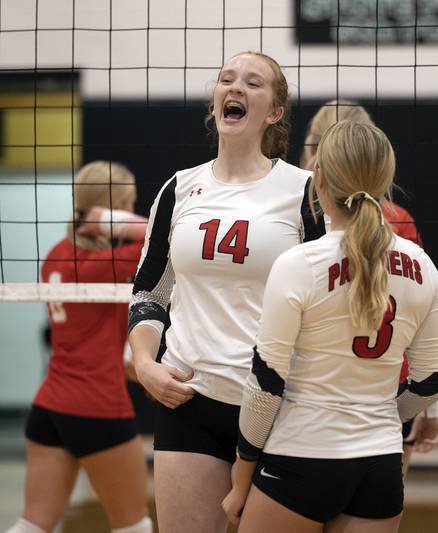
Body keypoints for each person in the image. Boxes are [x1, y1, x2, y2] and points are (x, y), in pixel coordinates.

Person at [127, 51, 325, 533]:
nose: (235, 88)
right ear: (215, 101)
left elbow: (329, 300)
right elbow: (151, 291)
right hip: (188, 401)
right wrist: (145, 363)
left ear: (274, 111)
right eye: (226, 80)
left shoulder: (304, 190)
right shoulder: (179, 188)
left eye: (253, 84)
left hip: (277, 404)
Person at [221, 120, 438, 532]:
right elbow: (431, 383)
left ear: (318, 178)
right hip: (380, 468)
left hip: (301, 457)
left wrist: (241, 479)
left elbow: (266, 383)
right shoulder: (424, 268)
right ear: (385, 181)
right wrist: (380, 417)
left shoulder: (298, 265)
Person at [6, 161, 152, 533]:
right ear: (115, 207)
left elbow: (89, 335)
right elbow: (160, 234)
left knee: (33, 524)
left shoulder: (56, 253)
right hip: (97, 407)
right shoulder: (110, 262)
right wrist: (106, 219)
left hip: (49, 406)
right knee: (134, 526)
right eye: (129, 201)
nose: (134, 206)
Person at [300, 99, 438, 473]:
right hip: (388, 395)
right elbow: (421, 322)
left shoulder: (290, 216)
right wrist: (429, 405)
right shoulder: (398, 219)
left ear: (312, 152)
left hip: (308, 394)